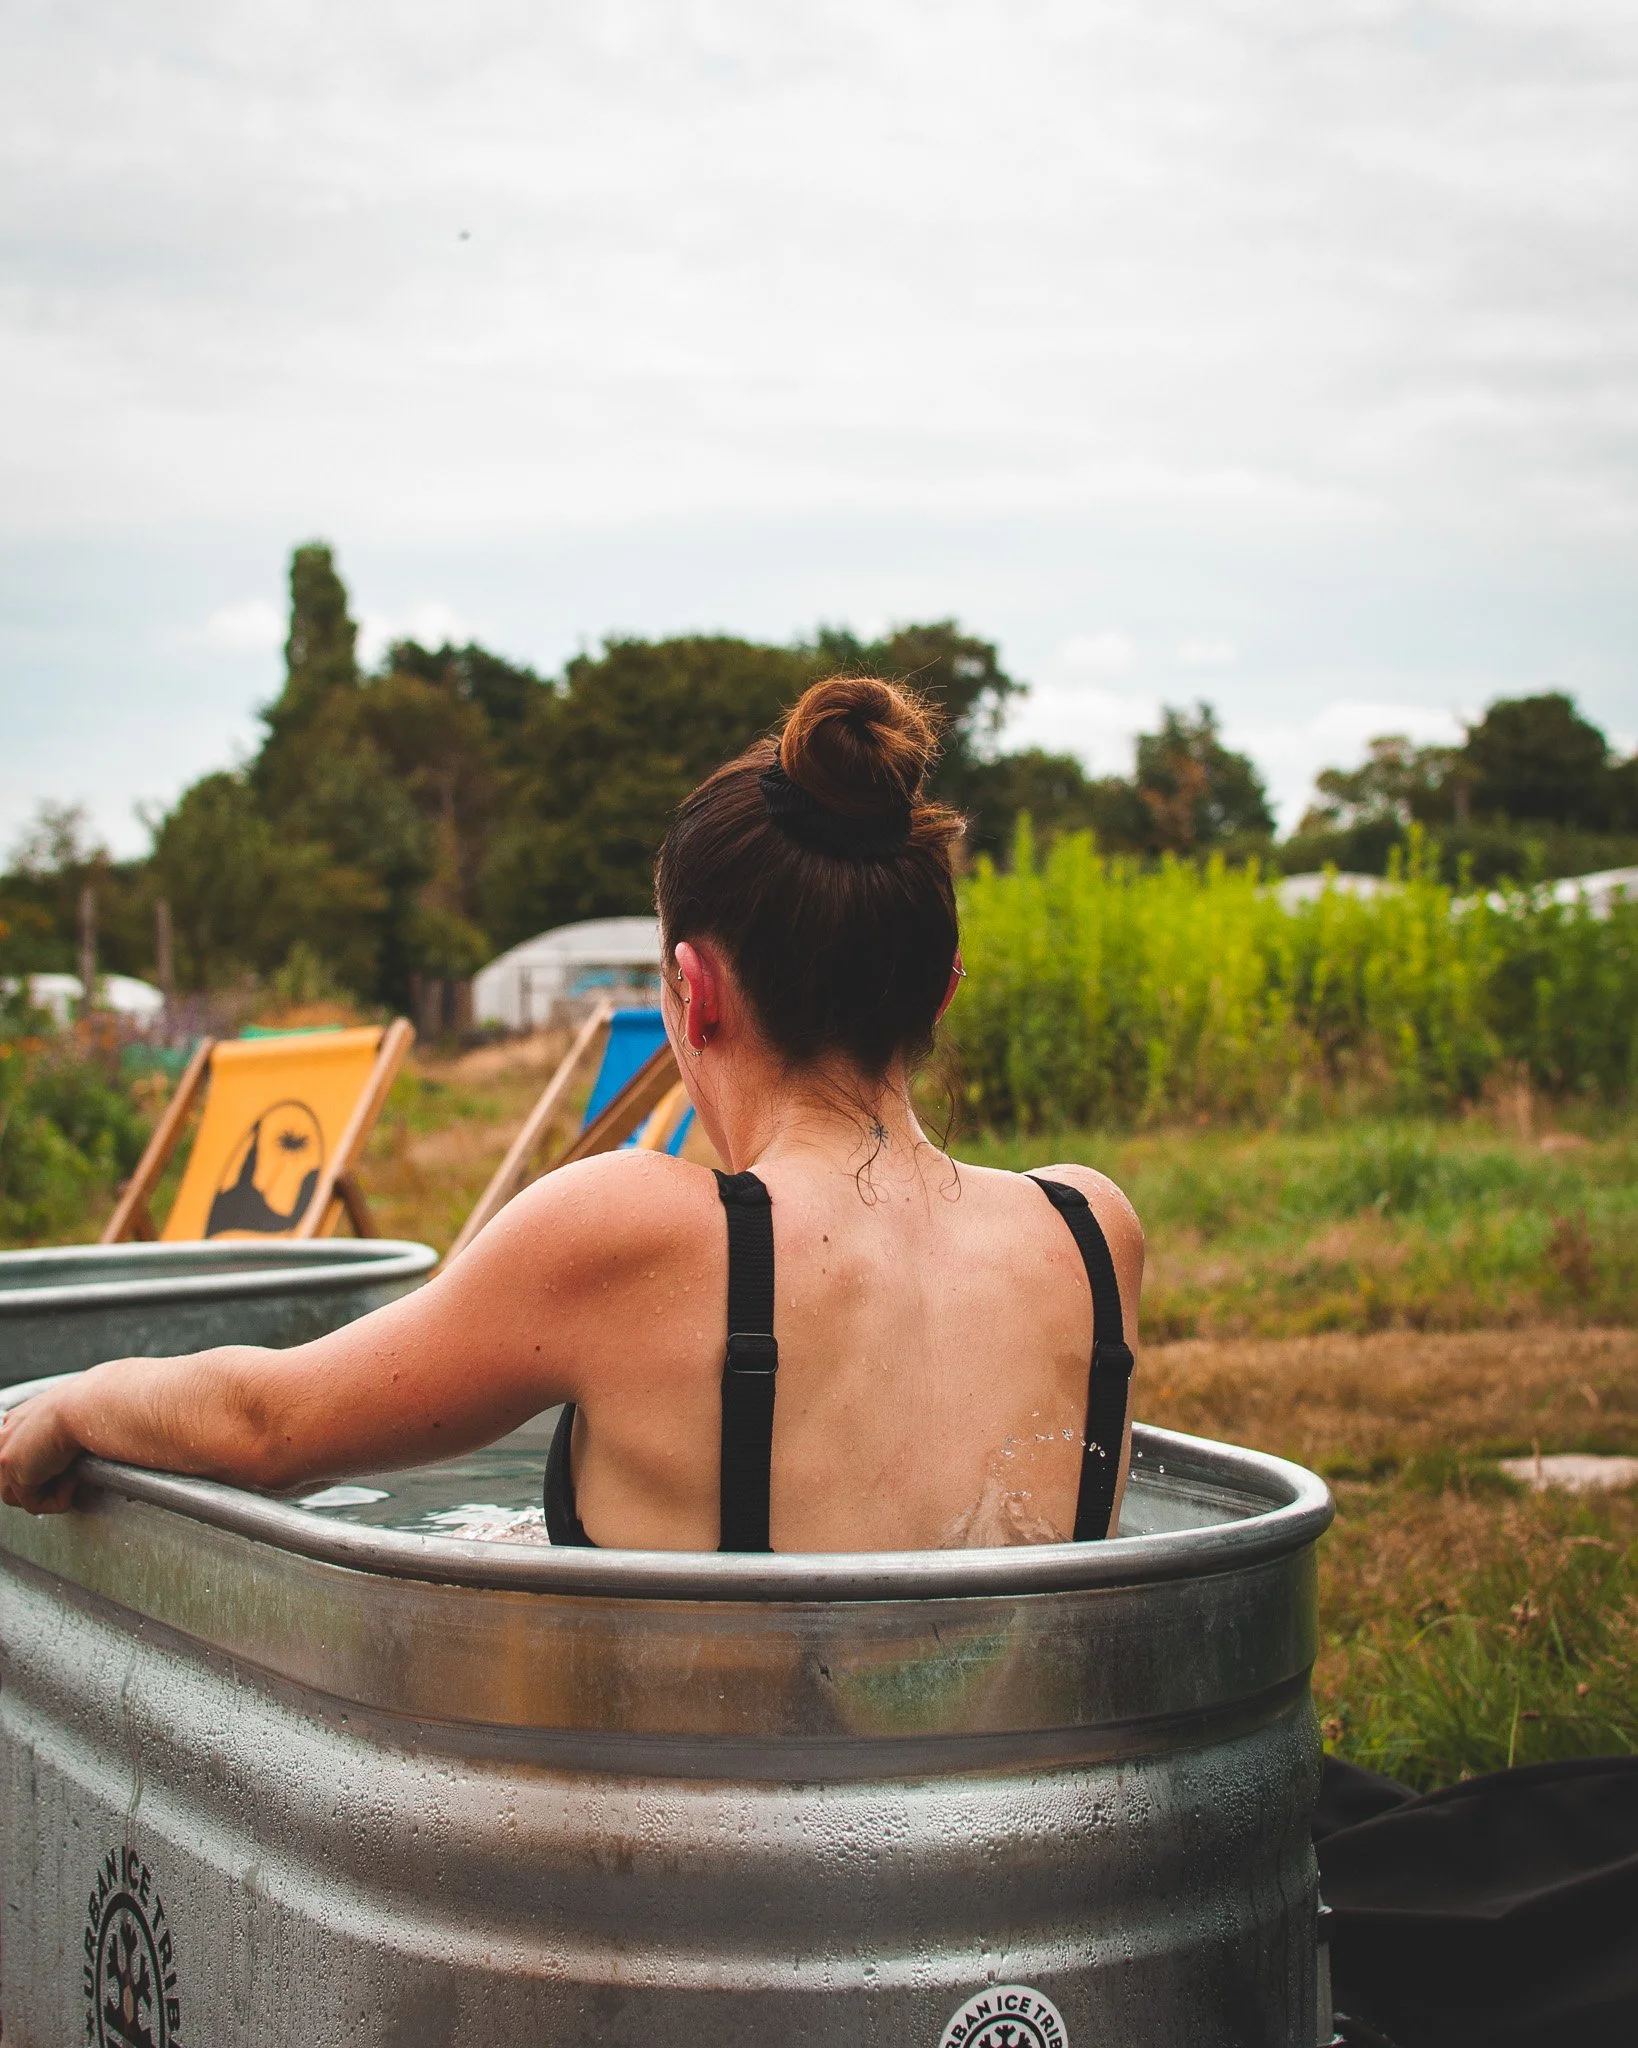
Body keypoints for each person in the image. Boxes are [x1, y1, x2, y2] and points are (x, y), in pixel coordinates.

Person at [0, 678, 1143, 1552]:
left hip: (730, 1857)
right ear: (940, 990)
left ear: (692, 994)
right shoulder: (1091, 1231)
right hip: (1034, 1840)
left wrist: (79, 1396)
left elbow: (265, 1423)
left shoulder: (642, 1235)